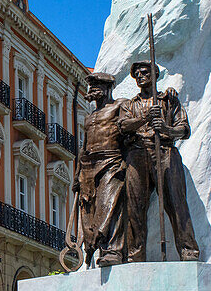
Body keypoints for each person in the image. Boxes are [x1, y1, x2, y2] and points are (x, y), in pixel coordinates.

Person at [71, 73, 150, 266]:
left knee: (111, 206)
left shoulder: (120, 105)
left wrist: (145, 118)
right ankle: (96, 249)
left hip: (111, 160)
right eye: (92, 86)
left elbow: (127, 126)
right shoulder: (90, 117)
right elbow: (84, 145)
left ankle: (113, 251)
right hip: (89, 165)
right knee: (90, 211)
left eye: (98, 85)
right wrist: (77, 173)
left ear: (108, 88)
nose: (93, 89)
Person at [125, 61, 200, 261]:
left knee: (176, 202)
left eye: (145, 72)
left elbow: (184, 130)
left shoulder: (168, 100)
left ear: (155, 75)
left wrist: (166, 129)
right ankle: (135, 255)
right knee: (135, 206)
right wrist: (144, 119)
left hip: (165, 151)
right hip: (138, 153)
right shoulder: (130, 104)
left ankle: (188, 250)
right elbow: (123, 126)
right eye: (137, 74)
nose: (140, 76)